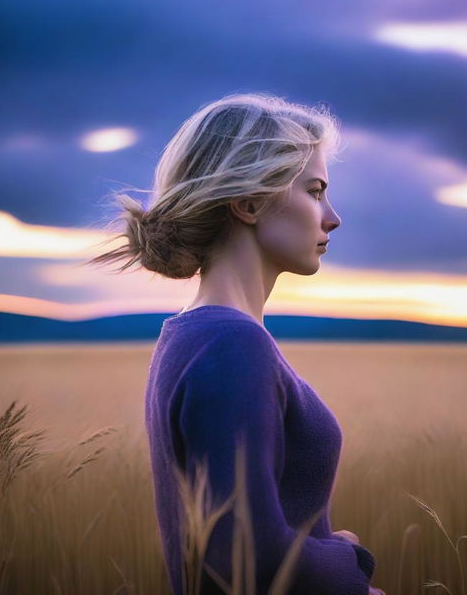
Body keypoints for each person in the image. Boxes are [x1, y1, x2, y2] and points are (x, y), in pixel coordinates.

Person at [86, 92, 384, 594]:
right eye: (314, 191)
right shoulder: (229, 345)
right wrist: (348, 560)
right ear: (247, 203)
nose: (331, 217)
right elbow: (246, 559)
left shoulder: (196, 334)